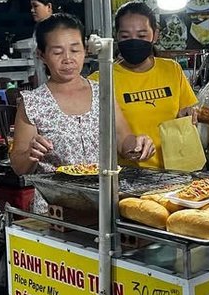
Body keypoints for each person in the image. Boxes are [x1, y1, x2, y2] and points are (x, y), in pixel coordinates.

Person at [10, 13, 155, 213]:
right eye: (57, 52)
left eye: (75, 50)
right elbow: (19, 167)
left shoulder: (103, 91)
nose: (68, 59)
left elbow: (124, 142)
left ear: (85, 50)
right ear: (41, 55)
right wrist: (30, 154)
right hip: (56, 210)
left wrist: (139, 145)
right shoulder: (32, 102)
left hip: (105, 205)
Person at [93, 2, 199, 170]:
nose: (134, 41)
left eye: (142, 35)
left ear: (155, 35)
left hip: (176, 171)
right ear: (116, 37)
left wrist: (189, 113)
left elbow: (185, 111)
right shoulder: (101, 79)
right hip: (129, 174)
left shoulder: (172, 69)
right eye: (125, 36)